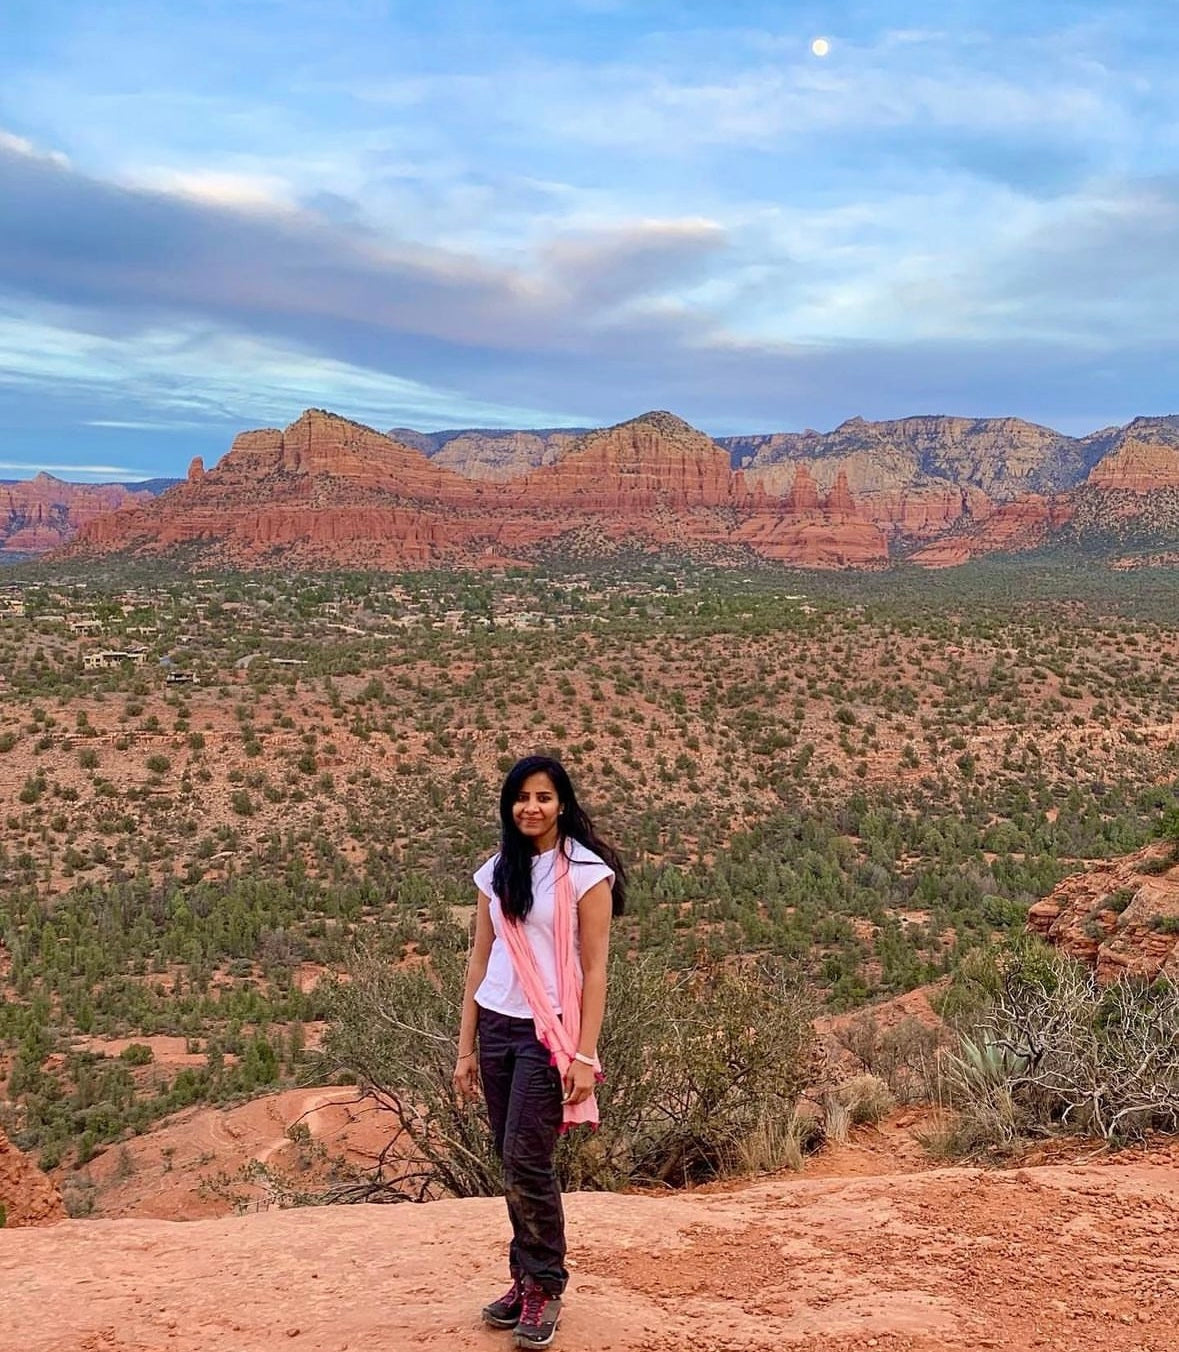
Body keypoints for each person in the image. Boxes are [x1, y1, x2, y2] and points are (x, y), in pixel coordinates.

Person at [454, 754, 626, 1350]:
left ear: (563, 804)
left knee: (527, 1158)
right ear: (509, 805)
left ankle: (546, 1285)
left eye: (544, 797)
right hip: (497, 1024)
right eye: (521, 797)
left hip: (547, 1032)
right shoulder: (496, 871)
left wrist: (585, 1055)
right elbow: (479, 960)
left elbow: (596, 969)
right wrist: (465, 1049)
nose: (531, 807)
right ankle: (524, 1276)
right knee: (509, 1157)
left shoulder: (586, 873)